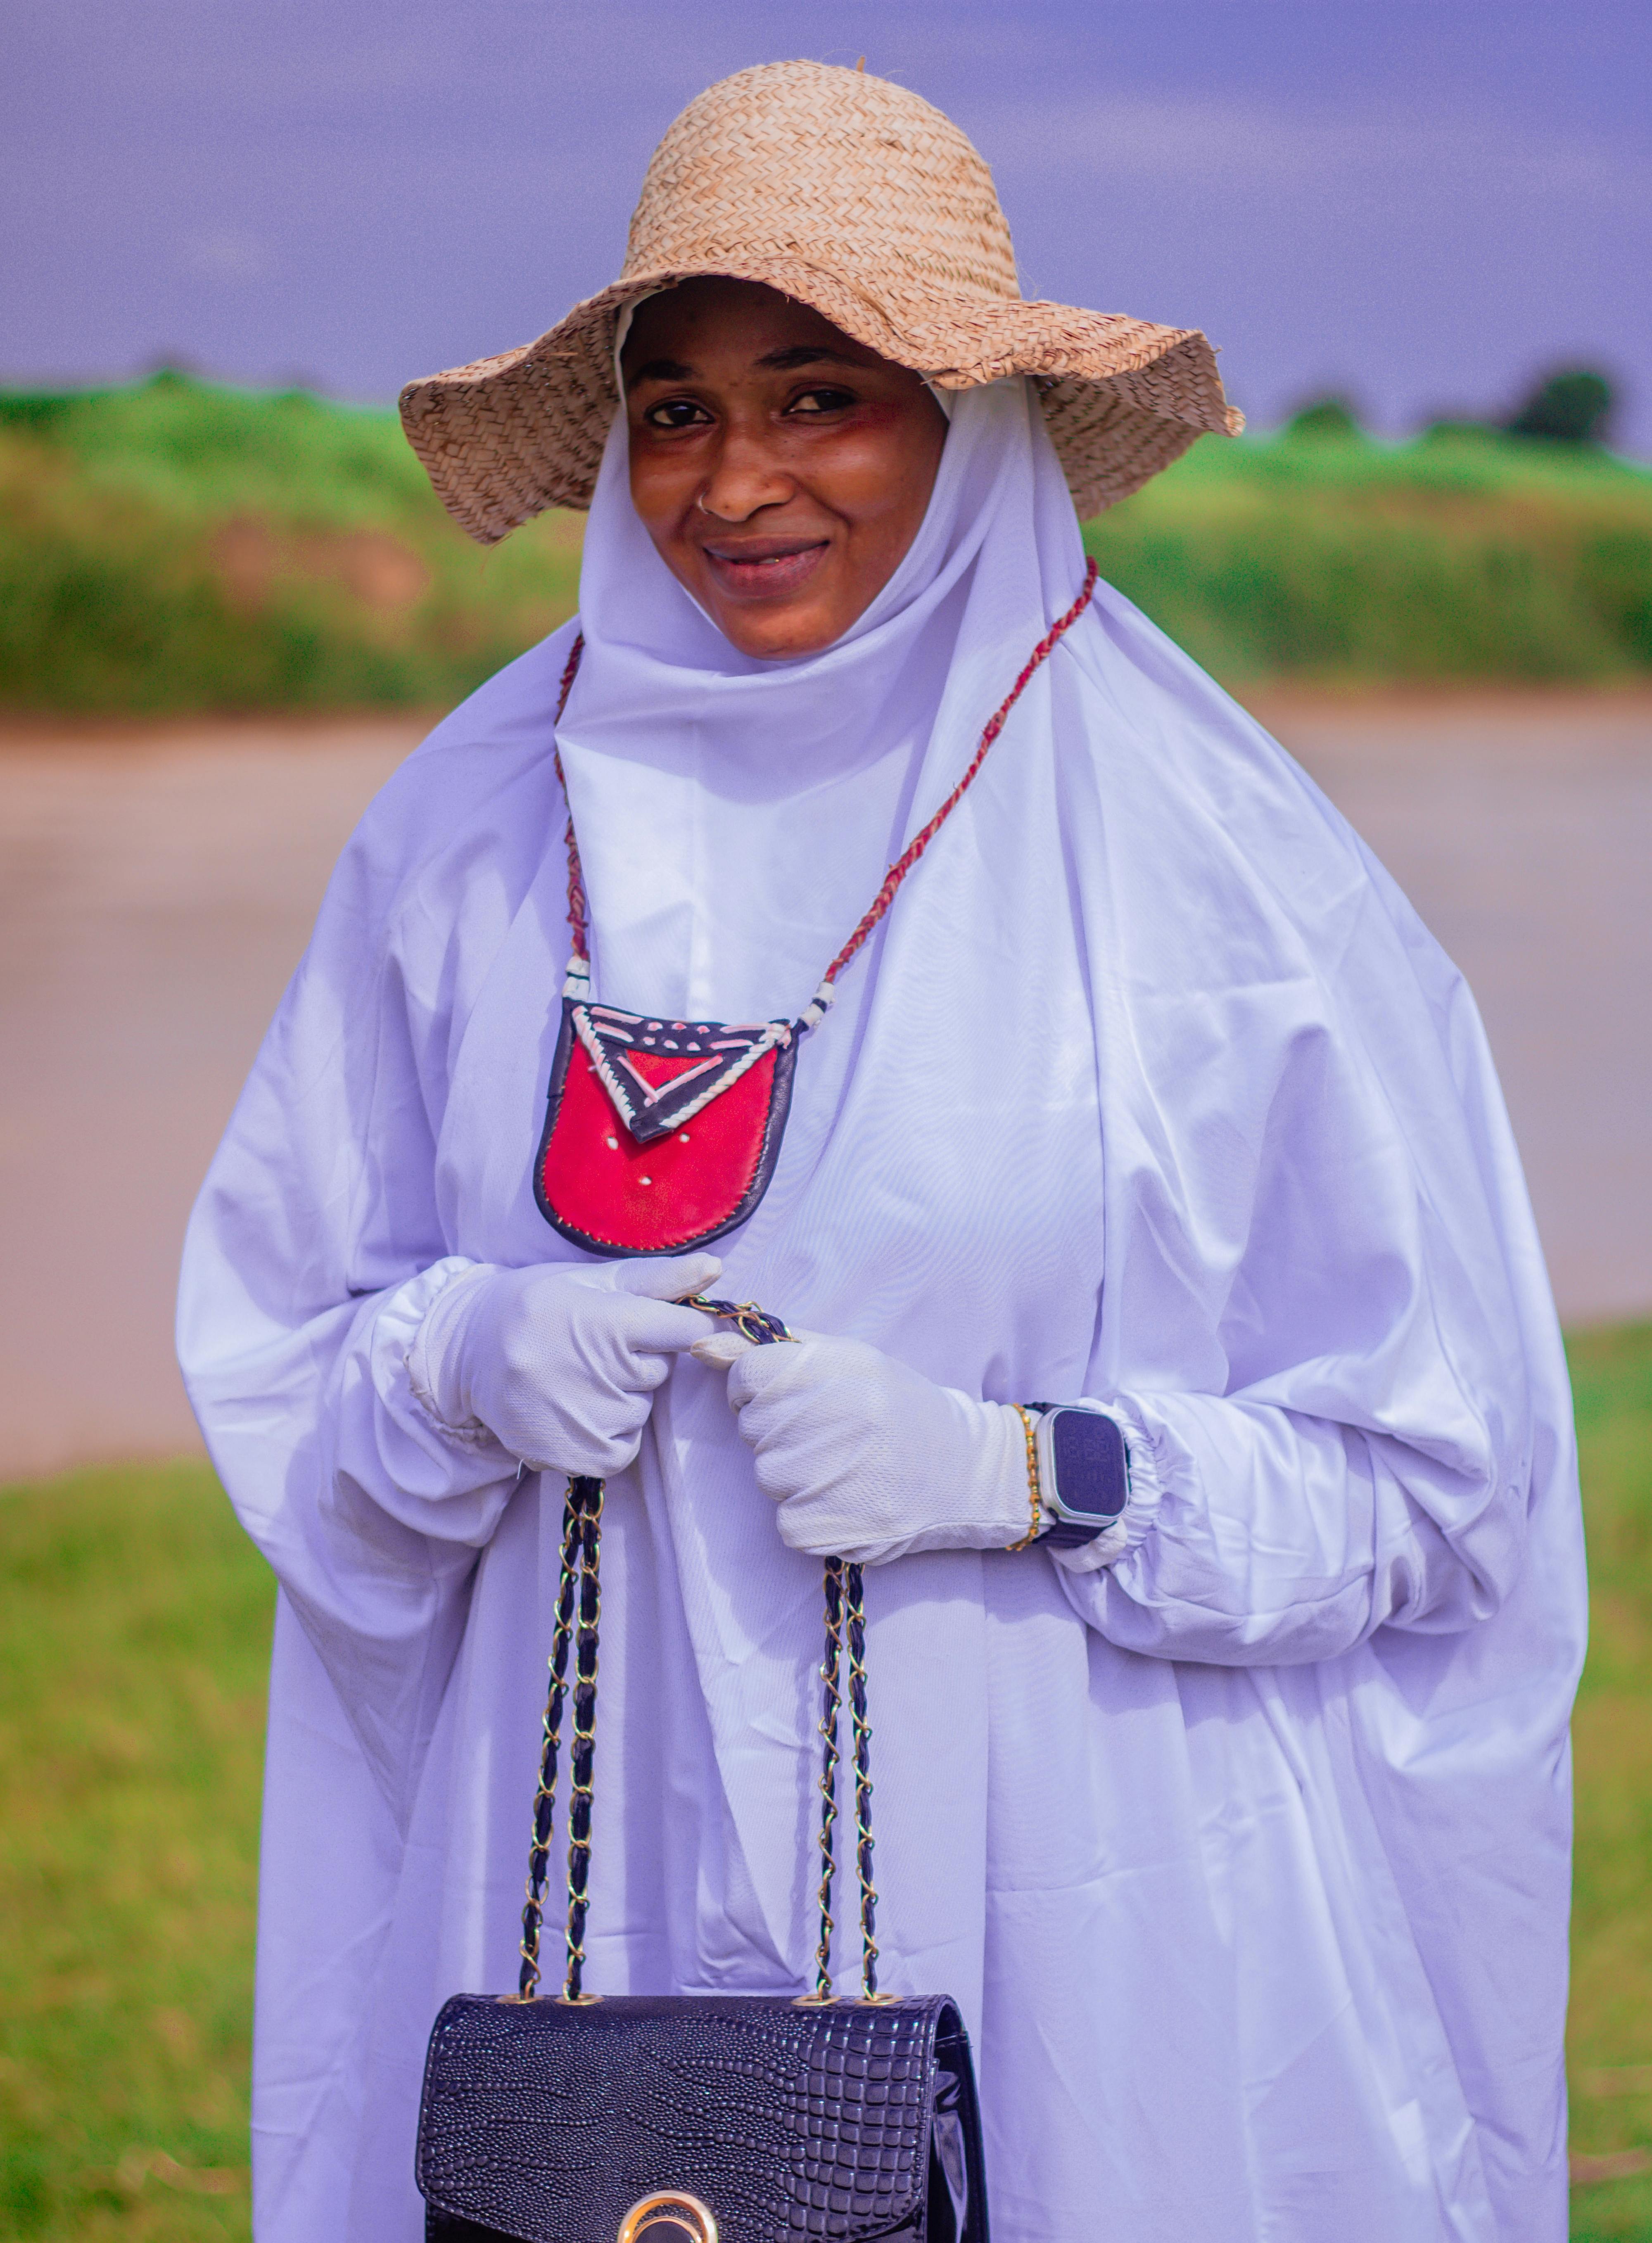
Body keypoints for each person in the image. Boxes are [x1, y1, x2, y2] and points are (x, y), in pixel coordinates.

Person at [178, 58, 1584, 2243]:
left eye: (819, 393)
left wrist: (1036, 1471)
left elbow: (1435, 1484)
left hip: (1087, 1926)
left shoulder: (1219, 878)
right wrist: (460, 1356)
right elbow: (297, 1341)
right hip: (579, 1923)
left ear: (974, 416)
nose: (733, 482)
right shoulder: (464, 836)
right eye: (677, 410)